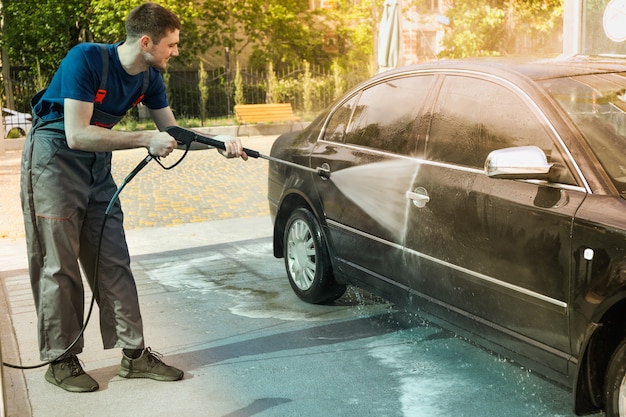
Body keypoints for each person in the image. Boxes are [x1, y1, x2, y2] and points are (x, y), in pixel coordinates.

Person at [20, 2, 247, 393]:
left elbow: (174, 133)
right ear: (147, 42)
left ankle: (135, 356)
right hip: (54, 159)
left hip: (96, 165)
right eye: (172, 45)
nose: (176, 52)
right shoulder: (86, 58)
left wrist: (219, 145)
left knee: (113, 258)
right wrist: (144, 139)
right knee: (59, 264)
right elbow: (76, 134)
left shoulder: (148, 78)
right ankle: (61, 360)